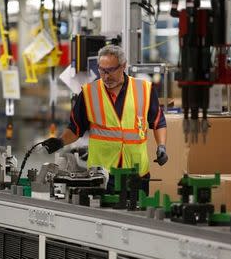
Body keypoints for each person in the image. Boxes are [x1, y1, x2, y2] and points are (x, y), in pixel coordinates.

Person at [42, 44, 168, 194]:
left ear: (123, 66)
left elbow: (158, 122)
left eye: (111, 70)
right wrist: (60, 141)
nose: (106, 76)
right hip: (101, 175)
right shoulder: (89, 93)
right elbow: (75, 128)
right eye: (102, 70)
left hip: (137, 173)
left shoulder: (144, 89)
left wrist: (161, 146)